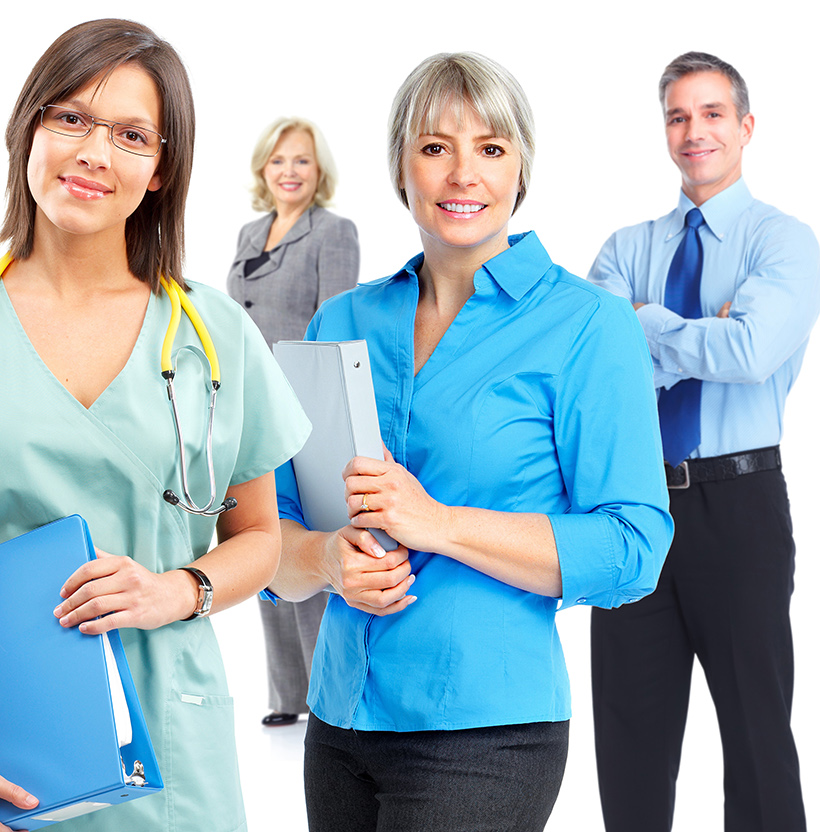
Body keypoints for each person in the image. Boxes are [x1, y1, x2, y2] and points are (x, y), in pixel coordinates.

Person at [0, 18, 310, 832]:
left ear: (160, 170)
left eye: (131, 135)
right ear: (29, 132)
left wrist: (172, 590)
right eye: (71, 119)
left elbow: (260, 538)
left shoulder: (215, 337)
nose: (94, 153)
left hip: (177, 757)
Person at [269, 52, 674, 832]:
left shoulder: (589, 325)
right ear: (401, 166)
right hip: (340, 725)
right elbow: (274, 538)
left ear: (521, 167)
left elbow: (633, 547)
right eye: (434, 147)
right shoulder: (340, 323)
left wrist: (438, 523)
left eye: (490, 148)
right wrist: (325, 561)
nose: (463, 174)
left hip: (485, 734)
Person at [587, 51, 818, 832]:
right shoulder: (626, 247)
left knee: (758, 742)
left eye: (712, 113)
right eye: (678, 116)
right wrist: (702, 331)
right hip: (633, 503)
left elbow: (753, 354)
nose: (695, 132)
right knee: (628, 744)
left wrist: (644, 323)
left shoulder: (783, 241)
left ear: (745, 127)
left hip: (739, 506)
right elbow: (597, 371)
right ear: (665, 132)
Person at [227, 116, 359, 728]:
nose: (289, 171)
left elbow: (331, 324)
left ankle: (322, 691)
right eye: (279, 160)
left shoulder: (333, 232)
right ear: (263, 169)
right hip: (248, 410)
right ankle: (287, 695)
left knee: (306, 541)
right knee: (259, 542)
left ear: (318, 171)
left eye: (302, 161)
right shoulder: (251, 232)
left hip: (302, 408)